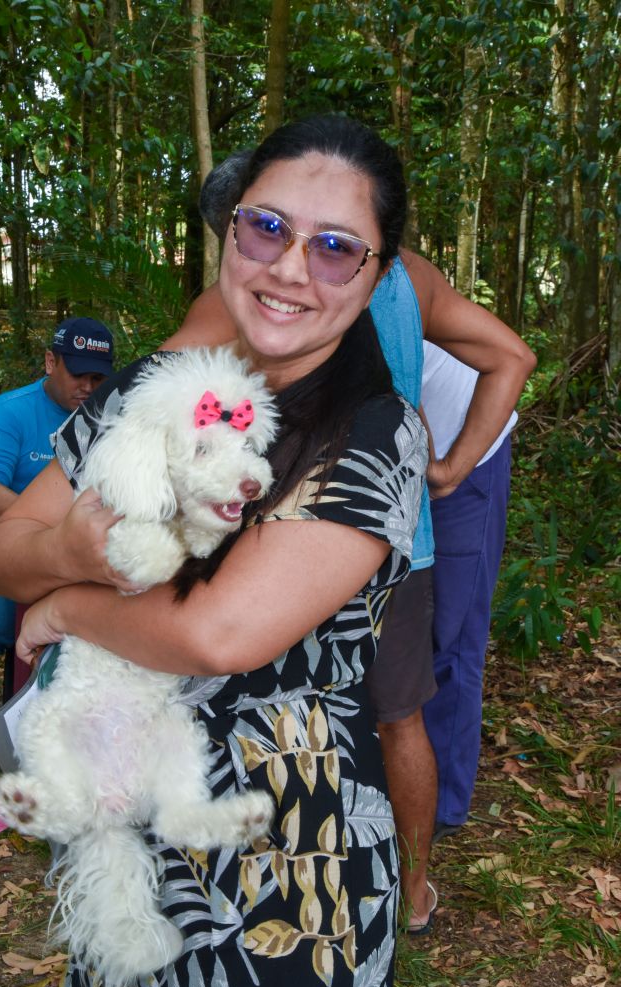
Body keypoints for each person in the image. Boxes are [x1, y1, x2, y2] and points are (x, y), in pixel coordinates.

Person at [0, 114, 428, 987]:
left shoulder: (376, 431)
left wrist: (63, 603)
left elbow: (221, 634)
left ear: (378, 276)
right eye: (267, 227)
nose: (290, 268)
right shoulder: (153, 386)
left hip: (288, 875)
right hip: (131, 841)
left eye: (337, 248)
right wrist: (71, 551)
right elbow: (7, 548)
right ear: (230, 231)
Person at [167, 151, 536, 933]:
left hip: (288, 542)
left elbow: (148, 401)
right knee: (400, 716)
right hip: (400, 538)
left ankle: (273, 894)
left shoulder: (239, 302)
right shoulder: (405, 275)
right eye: (265, 231)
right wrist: (443, 470)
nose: (286, 263)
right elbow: (513, 354)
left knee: (274, 709)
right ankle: (413, 890)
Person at [0, 317, 114, 750]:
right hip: (3, 536)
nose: (88, 387)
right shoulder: (7, 411)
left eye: (98, 377)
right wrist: (48, 531)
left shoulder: (112, 419)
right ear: (50, 362)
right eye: (78, 374)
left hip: (89, 540)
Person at [421, 340, 516, 835]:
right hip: (399, 456)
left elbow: (513, 357)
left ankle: (437, 814)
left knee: (451, 639)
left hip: (466, 451)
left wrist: (448, 468)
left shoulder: (391, 283)